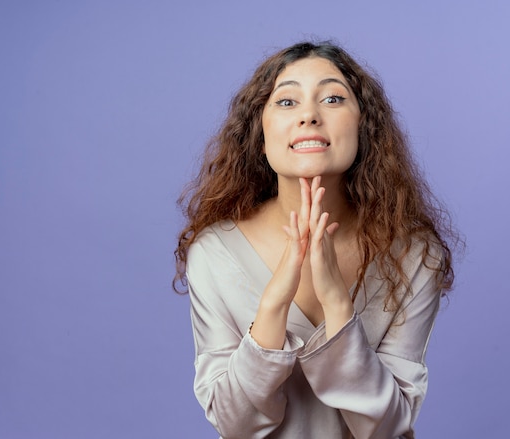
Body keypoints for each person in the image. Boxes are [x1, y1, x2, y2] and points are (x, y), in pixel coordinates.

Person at [174, 41, 458, 439]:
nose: (309, 115)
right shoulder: (214, 253)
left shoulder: (414, 254)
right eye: (287, 102)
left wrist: (337, 302)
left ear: (364, 127)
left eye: (332, 98)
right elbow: (234, 424)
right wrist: (274, 303)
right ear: (260, 134)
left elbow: (388, 427)